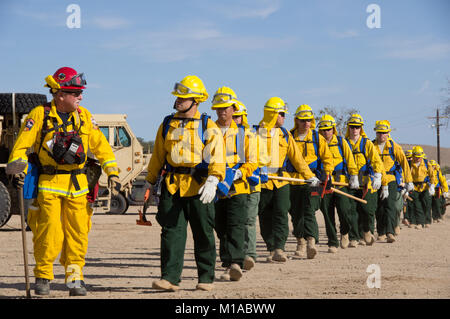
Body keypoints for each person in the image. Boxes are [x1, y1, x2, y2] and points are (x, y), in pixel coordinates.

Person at [6, 67, 120, 296]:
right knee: (49, 233)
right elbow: (21, 147)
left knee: (78, 234)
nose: (81, 97)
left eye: (80, 93)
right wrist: (17, 168)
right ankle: (44, 277)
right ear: (60, 95)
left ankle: (75, 280)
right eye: (76, 93)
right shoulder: (39, 115)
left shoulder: (86, 117)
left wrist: (113, 171)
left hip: (78, 187)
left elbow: (101, 147)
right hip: (49, 184)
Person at [146, 75, 226, 292]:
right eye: (178, 96)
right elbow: (157, 156)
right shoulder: (167, 124)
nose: (179, 100)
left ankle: (206, 278)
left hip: (200, 187)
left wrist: (213, 179)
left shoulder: (208, 125)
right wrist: (150, 182)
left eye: (184, 97)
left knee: (203, 233)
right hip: (172, 186)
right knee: (171, 232)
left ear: (196, 100)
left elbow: (218, 157)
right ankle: (169, 279)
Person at [255, 97, 319, 263]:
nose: (284, 117)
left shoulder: (285, 135)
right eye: (281, 114)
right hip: (263, 182)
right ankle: (270, 247)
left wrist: (309, 176)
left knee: (281, 213)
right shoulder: (256, 133)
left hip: (282, 181)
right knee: (264, 215)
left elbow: (297, 159)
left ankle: (279, 249)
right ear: (272, 114)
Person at [211, 87, 257, 282]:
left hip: (238, 187)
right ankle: (228, 261)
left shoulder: (245, 132)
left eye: (226, 108)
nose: (222, 111)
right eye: (219, 108)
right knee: (220, 226)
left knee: (236, 224)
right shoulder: (207, 130)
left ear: (233, 108)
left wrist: (241, 171)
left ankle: (235, 263)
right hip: (214, 187)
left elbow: (253, 160)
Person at [288, 105, 334, 258]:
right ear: (297, 120)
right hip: (292, 181)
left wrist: (327, 176)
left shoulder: (317, 138)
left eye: (309, 120)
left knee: (308, 210)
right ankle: (300, 241)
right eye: (303, 120)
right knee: (295, 213)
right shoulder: (289, 136)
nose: (306, 123)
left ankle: (311, 242)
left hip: (313, 182)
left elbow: (327, 158)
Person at [317, 114, 360, 250]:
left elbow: (350, 160)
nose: (326, 132)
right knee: (327, 213)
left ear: (333, 129)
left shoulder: (341, 142)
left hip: (341, 183)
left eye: (328, 129)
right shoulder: (317, 142)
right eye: (323, 130)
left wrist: (354, 176)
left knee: (345, 211)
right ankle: (332, 242)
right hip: (324, 184)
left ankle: (345, 232)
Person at [345, 114, 385, 246]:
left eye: (357, 127)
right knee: (351, 211)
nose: (354, 129)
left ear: (361, 128)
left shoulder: (367, 143)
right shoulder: (343, 142)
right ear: (348, 127)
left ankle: (367, 231)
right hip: (349, 183)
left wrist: (379, 176)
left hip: (366, 183)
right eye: (352, 127)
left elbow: (376, 161)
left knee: (367, 210)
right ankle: (354, 238)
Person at [372, 120, 413, 243]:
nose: (381, 135)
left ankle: (390, 232)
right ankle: (381, 232)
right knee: (379, 207)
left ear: (388, 133)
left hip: (391, 180)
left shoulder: (394, 146)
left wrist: (409, 181)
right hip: (376, 180)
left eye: (384, 133)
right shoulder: (371, 145)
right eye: (379, 132)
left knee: (390, 206)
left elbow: (404, 163)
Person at [232, 101, 260, 271]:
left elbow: (260, 158)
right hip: (233, 185)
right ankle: (236, 255)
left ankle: (249, 254)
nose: (235, 119)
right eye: (233, 116)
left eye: (237, 117)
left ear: (243, 117)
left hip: (252, 185)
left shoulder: (252, 135)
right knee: (235, 222)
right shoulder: (220, 134)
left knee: (249, 220)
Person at [408, 146, 436, 229]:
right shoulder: (410, 164)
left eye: (419, 157)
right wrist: (408, 184)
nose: (417, 159)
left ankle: (427, 221)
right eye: (416, 157)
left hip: (424, 187)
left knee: (426, 204)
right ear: (413, 155)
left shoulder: (427, 163)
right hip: (414, 187)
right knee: (417, 205)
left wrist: (432, 186)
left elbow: (432, 175)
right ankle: (420, 223)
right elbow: (406, 174)